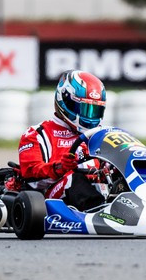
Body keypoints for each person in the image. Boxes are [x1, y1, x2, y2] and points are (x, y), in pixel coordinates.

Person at [15, 70, 107, 211]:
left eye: (95, 110)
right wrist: (60, 167)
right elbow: (31, 177)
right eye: (85, 109)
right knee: (74, 178)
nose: (89, 117)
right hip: (51, 197)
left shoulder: (100, 134)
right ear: (66, 101)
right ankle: (99, 210)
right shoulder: (38, 133)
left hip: (98, 188)